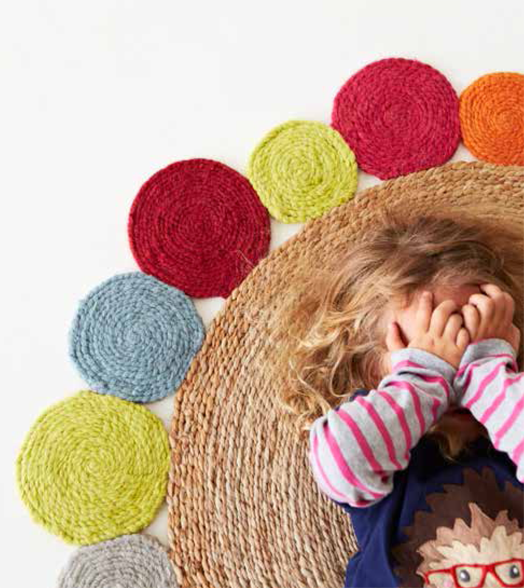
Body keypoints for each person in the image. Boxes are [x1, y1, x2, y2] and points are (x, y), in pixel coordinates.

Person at [272, 212, 524, 588]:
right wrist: (424, 380)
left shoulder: (511, 431)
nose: (457, 370)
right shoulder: (382, 455)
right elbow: (340, 458)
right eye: (426, 347)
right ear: (369, 368)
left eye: (475, 340)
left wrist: (490, 377)